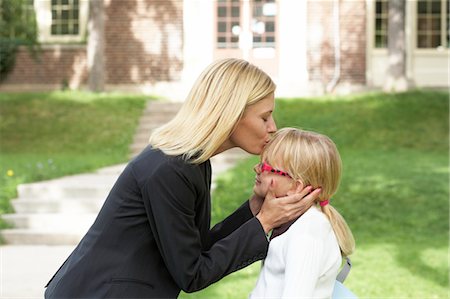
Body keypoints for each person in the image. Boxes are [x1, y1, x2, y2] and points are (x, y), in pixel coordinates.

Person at [44, 59, 321, 298]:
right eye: (264, 117)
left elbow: (196, 250)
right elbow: (192, 274)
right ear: (231, 114)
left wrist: (254, 210)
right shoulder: (170, 169)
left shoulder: (190, 161)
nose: (272, 127)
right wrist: (266, 222)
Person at [249, 128, 356, 298]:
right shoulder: (295, 223)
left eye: (266, 166)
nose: (257, 168)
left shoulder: (306, 234)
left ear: (296, 187)